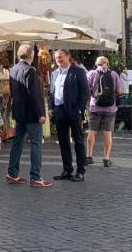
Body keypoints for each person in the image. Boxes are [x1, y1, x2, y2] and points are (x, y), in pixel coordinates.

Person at [7, 44, 50, 188]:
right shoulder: (30, 70)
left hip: (19, 113)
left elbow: (13, 93)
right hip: (31, 114)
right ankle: (35, 177)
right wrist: (41, 114)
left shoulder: (13, 69)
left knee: (17, 143)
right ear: (31, 55)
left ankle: (12, 173)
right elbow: (35, 95)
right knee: (36, 144)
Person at [49, 50, 90, 182]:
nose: (58, 60)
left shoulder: (78, 72)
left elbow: (85, 92)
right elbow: (52, 91)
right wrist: (51, 107)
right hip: (59, 110)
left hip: (73, 110)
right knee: (63, 141)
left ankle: (80, 171)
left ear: (68, 57)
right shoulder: (54, 73)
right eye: (56, 58)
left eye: (60, 57)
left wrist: (79, 109)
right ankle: (67, 169)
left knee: (78, 140)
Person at [85, 56, 124, 167]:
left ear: (96, 63)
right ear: (107, 63)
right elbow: (119, 91)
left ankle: (89, 156)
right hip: (110, 108)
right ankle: (106, 159)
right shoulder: (114, 74)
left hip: (94, 107)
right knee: (108, 133)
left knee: (92, 131)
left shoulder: (91, 73)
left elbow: (86, 90)